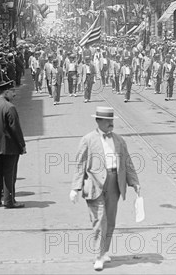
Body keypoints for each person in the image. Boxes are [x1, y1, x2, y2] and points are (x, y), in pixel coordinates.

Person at [69, 107, 140, 271]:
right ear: (98, 121)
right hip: (95, 184)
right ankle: (98, 255)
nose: (111, 123)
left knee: (111, 220)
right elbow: (80, 165)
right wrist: (75, 188)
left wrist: (134, 182)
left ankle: (104, 250)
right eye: (107, 121)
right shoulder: (88, 140)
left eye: (112, 120)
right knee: (100, 221)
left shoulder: (119, 140)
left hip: (115, 182)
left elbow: (127, 163)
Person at [0, 81, 26, 208]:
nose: (14, 94)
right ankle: (9, 201)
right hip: (9, 147)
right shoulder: (9, 107)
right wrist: (22, 145)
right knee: (9, 173)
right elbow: (16, 129)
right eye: (12, 91)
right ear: (6, 92)